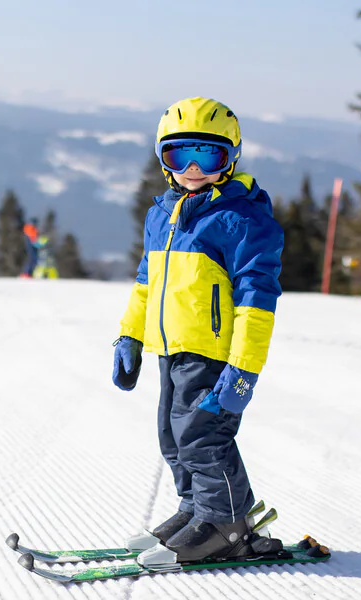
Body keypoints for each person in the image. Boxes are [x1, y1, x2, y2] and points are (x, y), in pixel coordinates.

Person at [112, 97, 284, 563]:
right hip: (173, 348)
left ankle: (227, 524)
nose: (192, 168)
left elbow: (258, 303)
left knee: (203, 437)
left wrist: (243, 369)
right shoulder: (164, 213)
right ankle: (198, 509)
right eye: (177, 155)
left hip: (215, 354)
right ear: (162, 159)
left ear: (231, 158)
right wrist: (129, 335)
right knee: (173, 436)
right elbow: (147, 282)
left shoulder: (243, 220)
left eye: (208, 155)